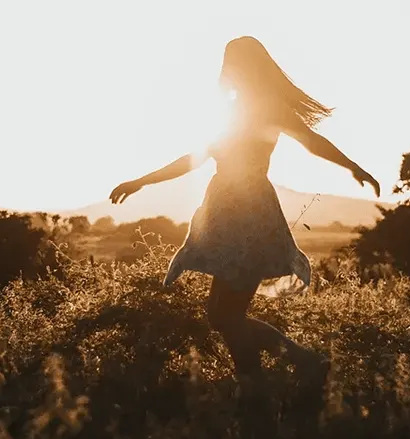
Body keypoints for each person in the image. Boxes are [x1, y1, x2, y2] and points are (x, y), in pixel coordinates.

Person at [109, 36, 380, 382]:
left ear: (246, 67)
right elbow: (192, 160)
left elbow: (313, 142)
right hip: (225, 216)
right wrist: (140, 181)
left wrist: (353, 166)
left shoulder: (269, 109)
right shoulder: (232, 112)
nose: (227, 70)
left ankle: (304, 365)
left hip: (251, 217)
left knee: (227, 316)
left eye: (232, 62)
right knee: (221, 315)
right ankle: (256, 383)